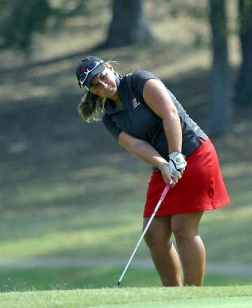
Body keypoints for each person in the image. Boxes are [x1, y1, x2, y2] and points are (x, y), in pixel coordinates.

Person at [75, 56, 230, 286]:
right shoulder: (110, 117)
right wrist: (163, 164)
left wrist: (176, 155)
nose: (103, 85)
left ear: (109, 67)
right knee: (153, 233)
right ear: (92, 91)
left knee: (182, 227)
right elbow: (136, 145)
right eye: (96, 85)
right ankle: (172, 296)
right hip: (165, 165)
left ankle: (192, 297)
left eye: (103, 76)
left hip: (194, 153)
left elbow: (170, 114)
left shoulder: (140, 81)